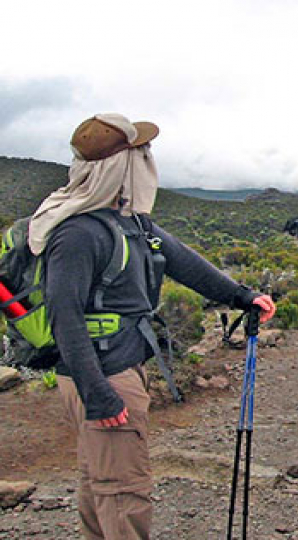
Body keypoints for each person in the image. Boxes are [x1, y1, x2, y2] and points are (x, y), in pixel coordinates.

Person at [30, 113, 276, 540]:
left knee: (101, 483)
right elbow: (63, 315)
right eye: (139, 153)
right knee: (122, 491)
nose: (147, 161)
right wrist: (99, 394)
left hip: (115, 369)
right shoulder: (77, 234)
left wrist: (242, 296)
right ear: (120, 166)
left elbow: (184, 262)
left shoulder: (133, 224)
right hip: (102, 374)